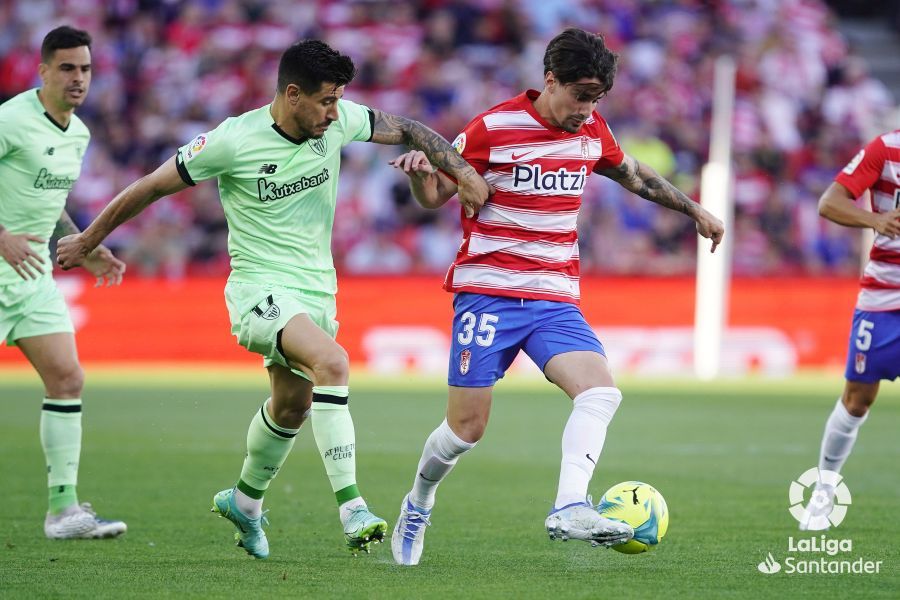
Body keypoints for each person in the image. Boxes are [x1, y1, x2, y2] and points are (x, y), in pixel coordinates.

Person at [57, 39, 490, 559]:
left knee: (292, 407)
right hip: (257, 288)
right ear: (292, 95)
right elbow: (149, 187)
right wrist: (87, 239)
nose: (335, 113)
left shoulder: (341, 120)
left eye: (338, 101)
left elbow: (412, 129)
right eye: (326, 101)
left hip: (317, 290)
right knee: (333, 364)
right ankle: (352, 507)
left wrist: (461, 172)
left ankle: (244, 501)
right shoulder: (232, 141)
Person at [387, 28, 724, 565]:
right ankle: (418, 502)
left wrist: (694, 210)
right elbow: (436, 195)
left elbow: (635, 176)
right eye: (580, 94)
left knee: (600, 393)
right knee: (465, 429)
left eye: (596, 98)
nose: (586, 108)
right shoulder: (493, 128)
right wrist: (419, 175)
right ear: (550, 80)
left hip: (553, 297)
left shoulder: (592, 131)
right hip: (487, 294)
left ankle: (570, 505)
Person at [0, 26, 127, 539]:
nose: (79, 79)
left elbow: (49, 208)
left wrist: (86, 247)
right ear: (44, 70)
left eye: (86, 69)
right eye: (68, 68)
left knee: (67, 379)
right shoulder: (9, 120)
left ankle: (62, 512)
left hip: (30, 278)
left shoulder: (78, 133)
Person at [799, 130, 900, 530]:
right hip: (884, 294)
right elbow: (830, 202)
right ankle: (824, 493)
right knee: (858, 399)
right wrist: (876, 220)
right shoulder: (887, 149)